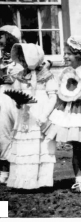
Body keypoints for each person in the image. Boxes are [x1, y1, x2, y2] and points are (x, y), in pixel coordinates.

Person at [45, 36, 81, 193]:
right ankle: (78, 179)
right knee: (76, 149)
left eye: (69, 54)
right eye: (65, 53)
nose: (65, 56)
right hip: (71, 112)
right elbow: (62, 93)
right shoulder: (65, 72)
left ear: (79, 55)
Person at [6, 43, 57, 190]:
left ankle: (43, 181)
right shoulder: (20, 76)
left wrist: (45, 114)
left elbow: (53, 97)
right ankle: (25, 180)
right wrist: (18, 103)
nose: (22, 61)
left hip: (41, 114)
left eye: (25, 58)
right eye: (20, 58)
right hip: (25, 115)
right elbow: (17, 94)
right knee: (25, 145)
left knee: (42, 146)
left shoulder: (47, 76)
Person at [0, 25, 22, 184]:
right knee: (3, 131)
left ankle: (18, 169)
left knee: (19, 131)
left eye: (2, 37)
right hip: (2, 94)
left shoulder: (21, 56)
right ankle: (4, 168)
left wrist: (13, 79)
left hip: (16, 94)